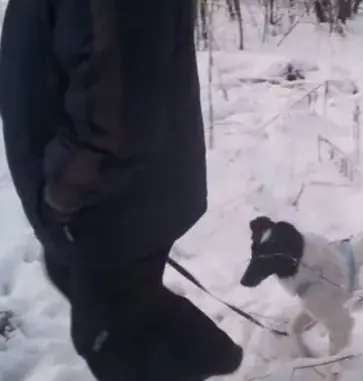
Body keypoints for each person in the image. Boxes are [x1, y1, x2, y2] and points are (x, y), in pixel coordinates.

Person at [0, 0, 243, 380]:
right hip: (102, 190)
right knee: (82, 281)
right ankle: (211, 355)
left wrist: (64, 193)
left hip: (112, 197)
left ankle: (202, 358)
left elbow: (115, 114)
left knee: (108, 337)